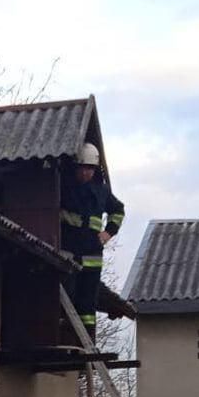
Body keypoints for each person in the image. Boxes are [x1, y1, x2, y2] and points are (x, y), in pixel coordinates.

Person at [59, 142, 125, 344]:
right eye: (83, 168)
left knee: (88, 304)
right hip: (69, 253)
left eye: (90, 168)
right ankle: (67, 339)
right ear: (76, 167)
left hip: (93, 256)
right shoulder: (64, 186)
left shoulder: (101, 191)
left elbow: (118, 210)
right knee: (67, 298)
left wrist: (108, 232)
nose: (86, 173)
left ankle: (87, 343)